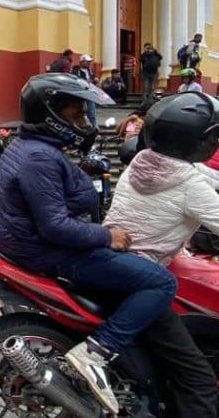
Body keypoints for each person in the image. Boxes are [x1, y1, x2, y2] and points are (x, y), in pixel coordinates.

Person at [0, 73, 177, 414]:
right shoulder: (40, 158)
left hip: (38, 246)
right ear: (51, 116)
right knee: (161, 281)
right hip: (55, 254)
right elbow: (55, 226)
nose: (84, 123)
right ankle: (96, 353)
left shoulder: (32, 148)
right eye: (76, 116)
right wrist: (108, 237)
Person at [104, 92, 219, 417]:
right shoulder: (188, 186)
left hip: (115, 265)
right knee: (199, 380)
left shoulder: (143, 163)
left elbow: (207, 175)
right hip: (140, 280)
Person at [72, 54, 99, 126]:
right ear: (82, 62)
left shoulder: (89, 71)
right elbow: (75, 81)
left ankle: (94, 127)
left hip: (90, 93)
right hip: (80, 94)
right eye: (87, 62)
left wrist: (95, 80)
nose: (89, 63)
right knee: (78, 112)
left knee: (92, 112)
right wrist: (86, 81)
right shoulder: (76, 71)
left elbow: (92, 80)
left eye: (89, 62)